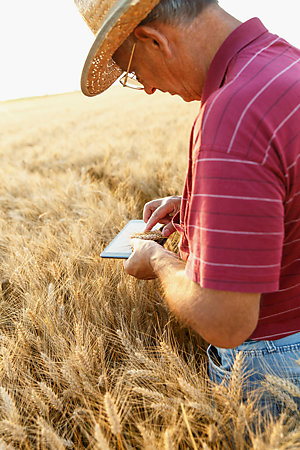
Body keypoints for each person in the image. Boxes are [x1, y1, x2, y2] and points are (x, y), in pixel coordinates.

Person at [75, 0, 300, 412]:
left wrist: (158, 261)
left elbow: (226, 321)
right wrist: (202, 204)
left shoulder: (232, 114)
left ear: (153, 39)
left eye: (130, 70)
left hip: (277, 366)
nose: (145, 86)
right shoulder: (282, 62)